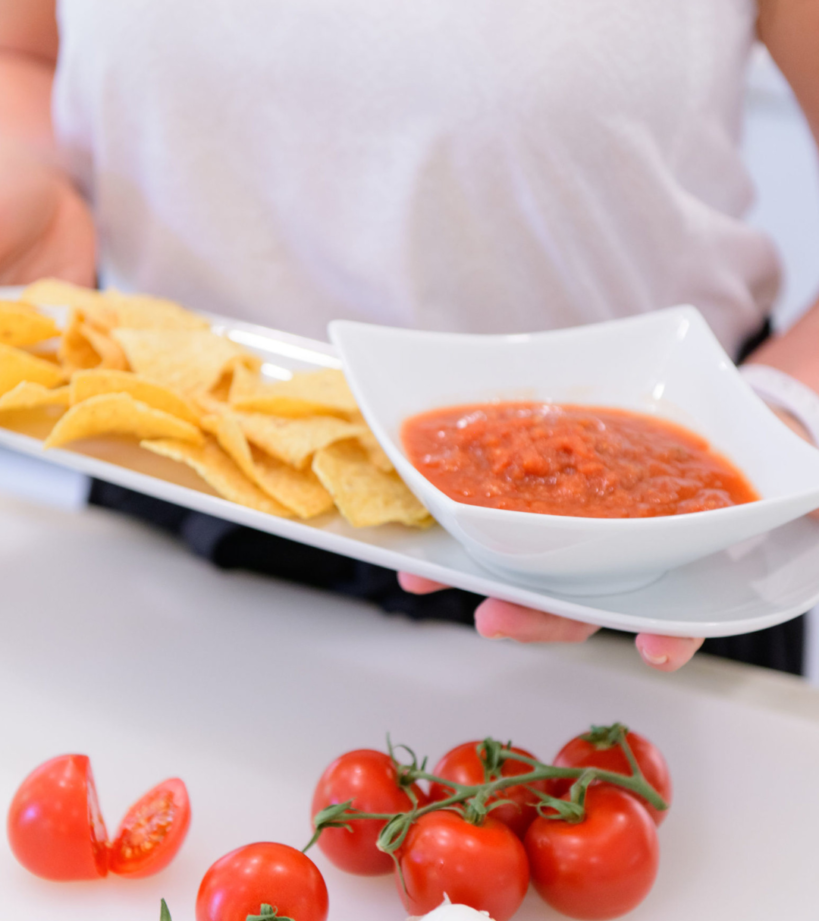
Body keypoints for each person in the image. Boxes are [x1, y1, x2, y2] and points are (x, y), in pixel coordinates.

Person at [0, 1, 817, 675]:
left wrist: (783, 415)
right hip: (173, 484)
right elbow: (24, 52)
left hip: (651, 570)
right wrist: (36, 187)